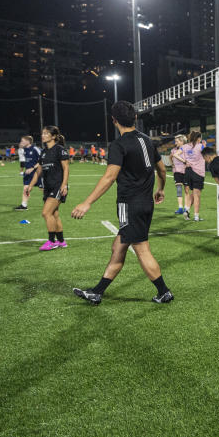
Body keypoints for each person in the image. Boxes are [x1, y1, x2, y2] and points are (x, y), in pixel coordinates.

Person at [71, 101, 173, 305]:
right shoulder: (147, 141)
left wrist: (87, 202)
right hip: (145, 204)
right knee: (118, 246)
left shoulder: (119, 145)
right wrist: (161, 188)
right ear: (135, 117)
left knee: (141, 248)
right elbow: (162, 170)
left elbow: (109, 177)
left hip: (129, 204)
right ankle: (97, 292)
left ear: (113, 120)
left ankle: (164, 291)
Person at [23, 126, 70, 251]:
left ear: (53, 136)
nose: (43, 135)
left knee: (46, 213)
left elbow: (66, 168)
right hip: (48, 188)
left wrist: (64, 185)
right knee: (54, 214)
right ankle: (61, 241)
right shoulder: (43, 152)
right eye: (42, 133)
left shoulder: (60, 149)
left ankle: (51, 241)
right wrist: (30, 186)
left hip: (58, 186)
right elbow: (38, 172)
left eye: (46, 133)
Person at [183, 131, 205, 221]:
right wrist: (204, 145)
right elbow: (207, 154)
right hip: (198, 172)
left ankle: (187, 210)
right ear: (198, 138)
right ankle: (196, 217)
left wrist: (185, 161)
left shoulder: (184, 147)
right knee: (197, 195)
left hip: (188, 171)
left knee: (193, 193)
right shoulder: (201, 146)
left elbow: (175, 155)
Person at [15, 135, 41, 211]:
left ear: (28, 141)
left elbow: (43, 159)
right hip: (27, 173)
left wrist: (32, 168)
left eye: (22, 141)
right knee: (26, 188)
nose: (21, 142)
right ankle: (24, 205)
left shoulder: (35, 149)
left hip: (37, 172)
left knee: (42, 189)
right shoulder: (25, 150)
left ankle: (51, 202)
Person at [170, 135, 188, 215]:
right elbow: (170, 157)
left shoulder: (187, 149)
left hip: (186, 172)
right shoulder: (173, 150)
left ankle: (186, 208)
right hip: (177, 172)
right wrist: (172, 164)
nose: (175, 143)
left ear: (182, 142)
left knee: (187, 190)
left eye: (177, 141)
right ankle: (180, 208)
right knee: (179, 189)